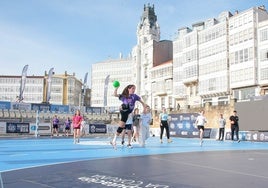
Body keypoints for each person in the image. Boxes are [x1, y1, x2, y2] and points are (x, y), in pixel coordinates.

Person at [110, 84, 146, 149]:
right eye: (132, 88)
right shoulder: (124, 96)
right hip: (124, 111)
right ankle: (114, 141)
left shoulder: (135, 96)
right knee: (121, 127)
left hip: (127, 113)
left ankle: (114, 141)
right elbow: (115, 94)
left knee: (121, 127)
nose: (134, 90)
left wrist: (144, 107)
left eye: (134, 89)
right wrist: (116, 88)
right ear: (128, 89)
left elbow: (142, 102)